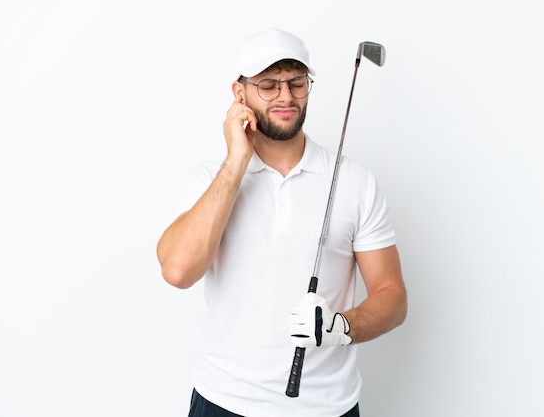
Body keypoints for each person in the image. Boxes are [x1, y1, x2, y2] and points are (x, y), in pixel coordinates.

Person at [156, 27, 407, 417]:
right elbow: (178, 270)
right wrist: (237, 161)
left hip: (327, 407)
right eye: (269, 85)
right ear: (240, 95)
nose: (286, 96)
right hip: (224, 401)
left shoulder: (355, 181)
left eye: (296, 82)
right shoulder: (210, 178)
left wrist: (342, 326)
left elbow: (392, 296)